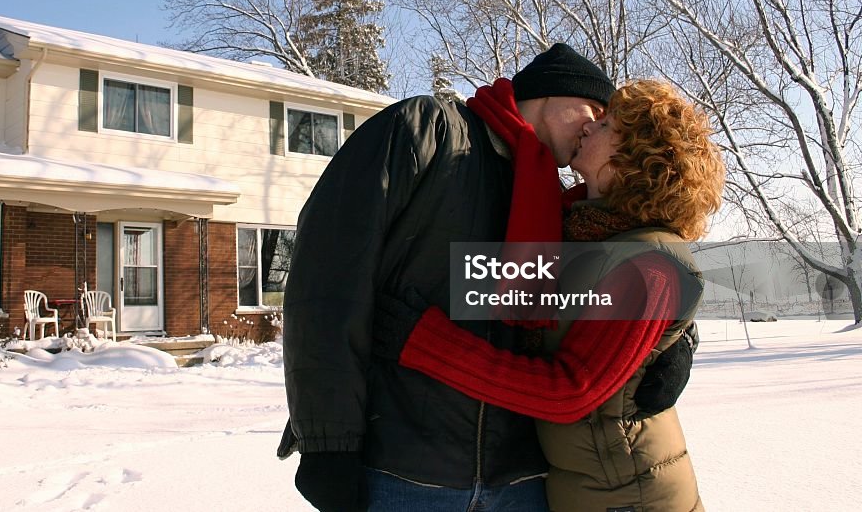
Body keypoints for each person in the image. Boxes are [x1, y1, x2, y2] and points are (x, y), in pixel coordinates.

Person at [278, 43, 697, 512]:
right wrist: (327, 440)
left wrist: (676, 338)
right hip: (409, 472)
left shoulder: (559, 207)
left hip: (524, 479)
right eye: (595, 110)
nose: (593, 126)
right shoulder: (429, 133)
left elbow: (621, 283)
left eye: (606, 122)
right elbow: (328, 279)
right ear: (556, 90)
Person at [376, 79, 725, 511]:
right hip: (579, 488)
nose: (588, 127)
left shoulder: (649, 264)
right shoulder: (582, 235)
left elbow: (569, 391)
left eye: (606, 124)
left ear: (631, 156)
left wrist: (424, 342)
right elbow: (492, 286)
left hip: (631, 495)